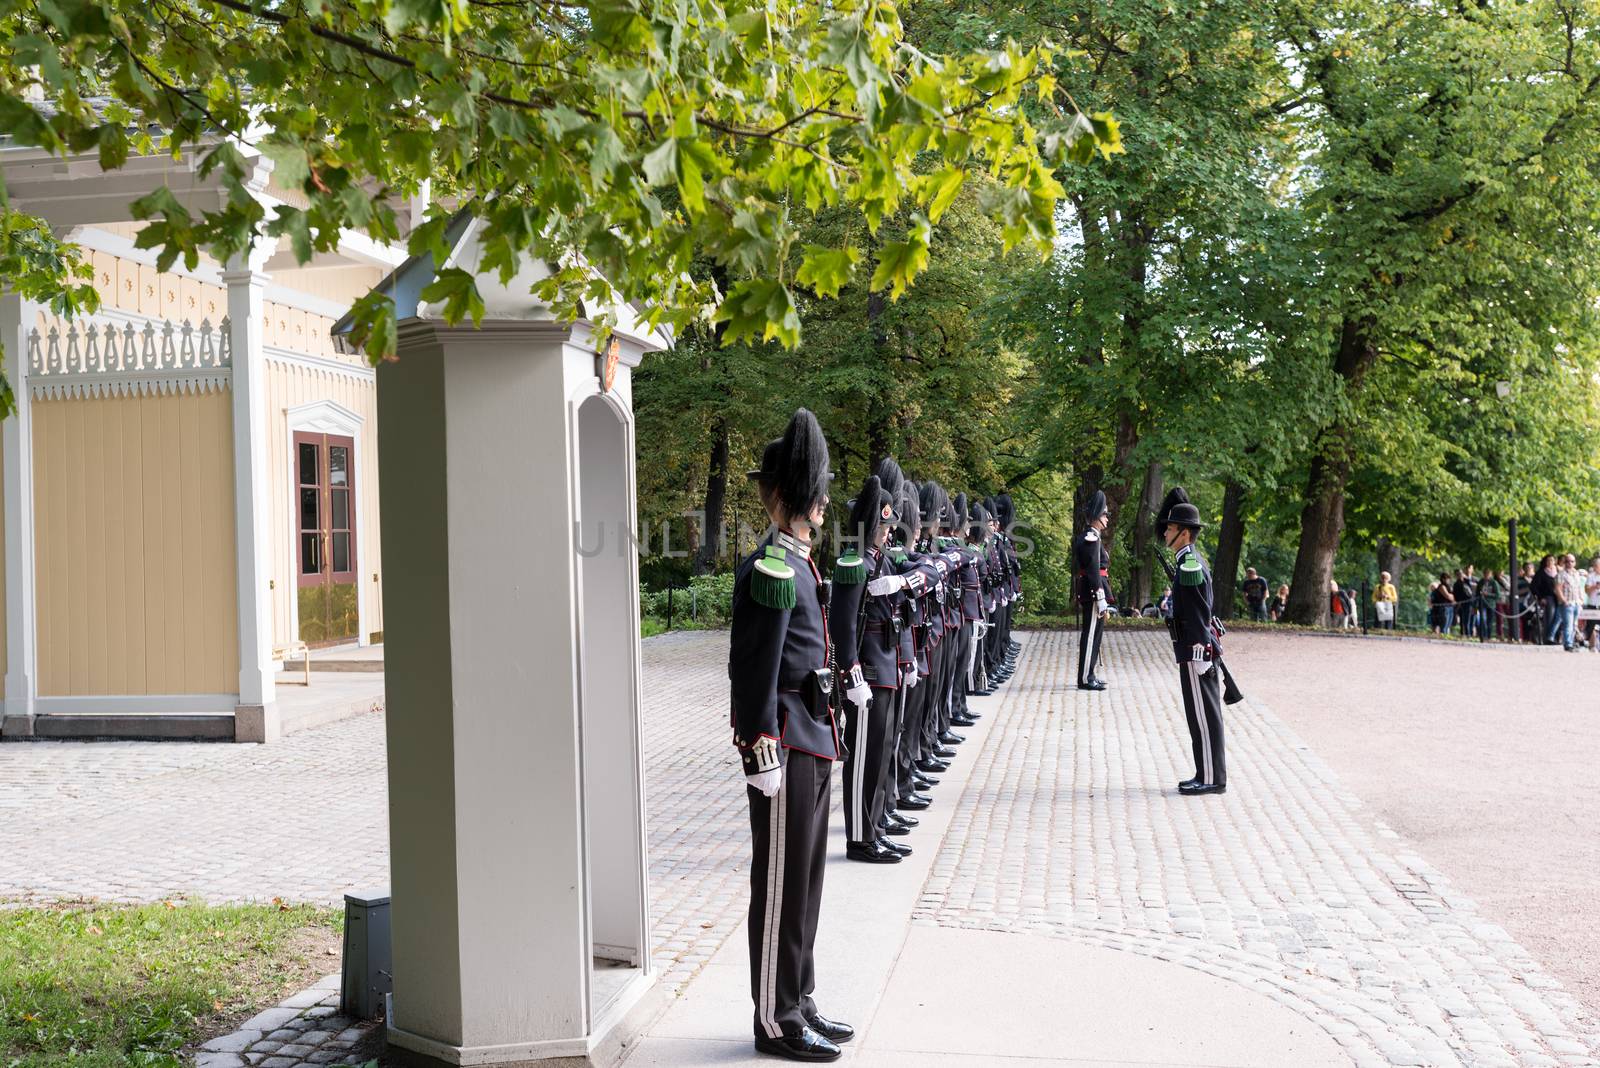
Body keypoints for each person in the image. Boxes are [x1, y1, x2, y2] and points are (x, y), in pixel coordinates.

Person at [729, 408, 853, 1061]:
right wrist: (759, 747)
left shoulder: (800, 562)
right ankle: (774, 1018)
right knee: (779, 883)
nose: (827, 504)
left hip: (814, 734)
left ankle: (799, 998)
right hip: (785, 739)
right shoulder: (775, 564)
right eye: (818, 493)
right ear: (793, 497)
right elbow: (754, 669)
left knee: (804, 881)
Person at [831, 475, 911, 865]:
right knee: (863, 758)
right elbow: (843, 627)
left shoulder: (878, 561)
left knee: (880, 756)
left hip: (886, 666)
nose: (888, 531)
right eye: (882, 525)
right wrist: (851, 674)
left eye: (890, 524)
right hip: (867, 673)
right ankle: (860, 838)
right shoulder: (854, 563)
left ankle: (875, 828)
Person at [1156, 489, 1226, 795]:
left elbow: (1198, 613)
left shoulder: (1190, 565)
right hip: (1190, 646)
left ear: (1184, 534)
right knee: (1198, 716)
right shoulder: (1187, 561)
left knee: (1204, 716)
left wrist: (1199, 652)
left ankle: (1211, 778)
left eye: (1171, 528)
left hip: (1195, 648)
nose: (1166, 531)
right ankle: (1205, 771)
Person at [1074, 490, 1111, 690]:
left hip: (1094, 591)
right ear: (1097, 517)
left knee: (1095, 635)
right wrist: (1100, 596)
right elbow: (1093, 570)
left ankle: (1090, 673)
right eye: (1104, 515)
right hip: (1092, 591)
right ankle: (1085, 677)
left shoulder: (1094, 537)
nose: (1106, 519)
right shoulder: (1091, 538)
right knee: (1090, 636)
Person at [1557, 553, 1584, 652]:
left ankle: (1571, 642)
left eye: (1572, 561)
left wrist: (1581, 600)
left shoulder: (1577, 574)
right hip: (1567, 603)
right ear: (1564, 563)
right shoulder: (1561, 574)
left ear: (1575, 563)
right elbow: (1558, 588)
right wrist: (1564, 600)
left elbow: (1579, 587)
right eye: (1567, 561)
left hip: (1576, 602)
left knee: (1574, 624)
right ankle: (1568, 644)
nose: (1570, 563)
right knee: (1568, 624)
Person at [1533, 555, 1559, 645]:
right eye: (1548, 560)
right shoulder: (1541, 573)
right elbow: (1534, 587)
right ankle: (1547, 639)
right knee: (1550, 618)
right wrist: (1540, 597)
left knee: (1558, 618)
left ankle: (1556, 637)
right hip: (1548, 597)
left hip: (1558, 598)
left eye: (1552, 560)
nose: (1550, 562)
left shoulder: (1558, 572)